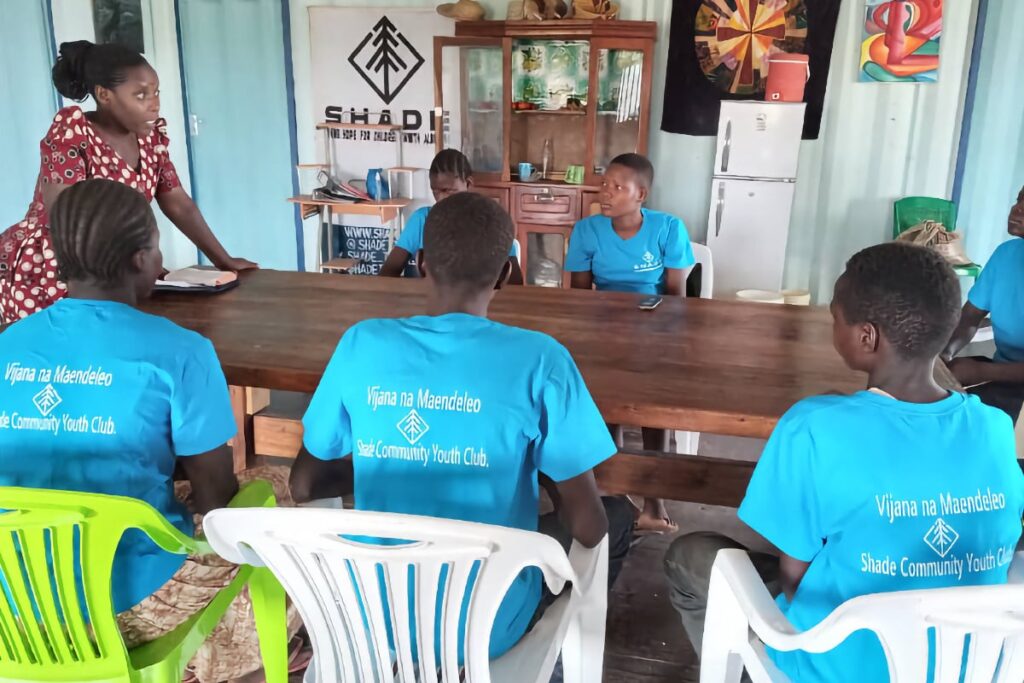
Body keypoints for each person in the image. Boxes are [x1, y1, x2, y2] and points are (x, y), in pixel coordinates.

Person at [291, 192, 633, 658]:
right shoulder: (541, 359)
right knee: (618, 515)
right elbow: (588, 525)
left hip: (371, 622)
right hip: (487, 633)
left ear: (422, 263)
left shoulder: (361, 343)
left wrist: (397, 459)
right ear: (507, 274)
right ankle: (550, 659)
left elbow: (305, 482)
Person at [663, 242, 1024, 683]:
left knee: (688, 554)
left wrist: (833, 417)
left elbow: (795, 582)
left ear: (866, 336)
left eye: (835, 316)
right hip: (969, 662)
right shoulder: (994, 428)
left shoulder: (814, 428)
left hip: (840, 661)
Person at [0, 179, 296, 683]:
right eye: (159, 246)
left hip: (15, 597)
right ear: (141, 259)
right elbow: (216, 497)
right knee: (271, 490)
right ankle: (251, 660)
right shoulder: (181, 352)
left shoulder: (10, 342)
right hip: (126, 601)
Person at [0, 40, 255, 324]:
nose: (154, 104)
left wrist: (223, 260)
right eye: (141, 95)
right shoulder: (73, 134)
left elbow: (178, 203)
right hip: (57, 270)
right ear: (104, 95)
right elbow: (67, 216)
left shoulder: (150, 140)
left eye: (156, 92)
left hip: (115, 267)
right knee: (65, 359)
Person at [564, 152, 695, 534]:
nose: (606, 193)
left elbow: (675, 296)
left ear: (642, 195)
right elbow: (579, 296)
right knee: (606, 408)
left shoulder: (668, 228)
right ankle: (617, 497)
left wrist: (657, 337)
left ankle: (654, 501)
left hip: (653, 329)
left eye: (618, 187)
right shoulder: (587, 231)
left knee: (654, 411)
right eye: (605, 185)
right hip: (602, 328)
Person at [378, 148, 523, 284]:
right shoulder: (422, 220)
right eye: (435, 191)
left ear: (468, 184)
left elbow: (515, 284)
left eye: (448, 190)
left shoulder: (490, 223)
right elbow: (387, 274)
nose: (441, 198)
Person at [942, 185, 1024, 422]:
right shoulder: (1006, 255)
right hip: (1002, 376)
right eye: (1018, 198)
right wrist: (945, 354)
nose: (1016, 208)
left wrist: (982, 371)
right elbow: (969, 318)